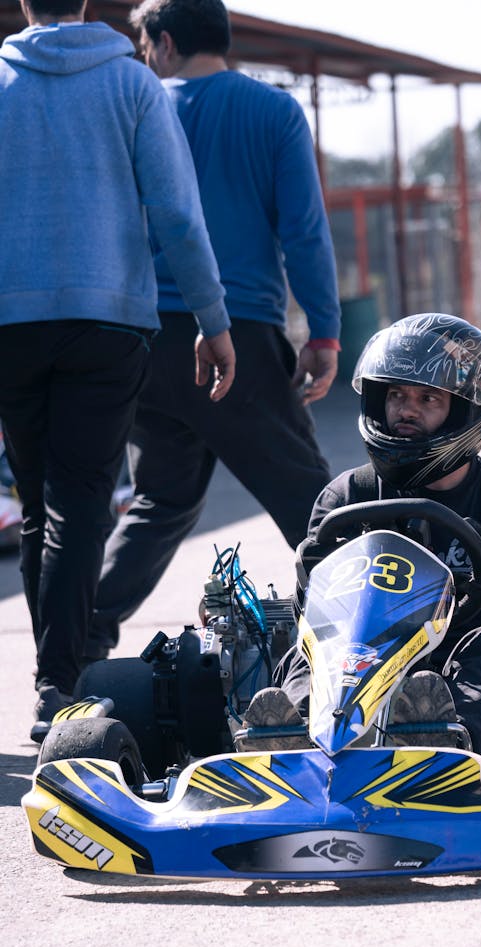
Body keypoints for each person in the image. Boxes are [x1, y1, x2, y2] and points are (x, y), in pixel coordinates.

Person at [0, 0, 235, 743]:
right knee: (80, 504)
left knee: (39, 503)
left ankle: (54, 677)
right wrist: (212, 318)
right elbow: (176, 212)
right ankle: (57, 685)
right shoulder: (131, 85)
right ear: (86, 4)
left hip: (10, 324)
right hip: (107, 325)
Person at [84, 0, 341, 664]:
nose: (145, 59)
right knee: (313, 502)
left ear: (164, 43)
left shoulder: (133, 109)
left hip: (140, 337)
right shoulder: (273, 111)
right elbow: (305, 231)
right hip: (238, 338)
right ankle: (369, 635)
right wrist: (324, 332)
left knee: (160, 500)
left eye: (145, 47)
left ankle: (80, 643)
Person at [244, 313, 481, 758]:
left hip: (471, 665)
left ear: (465, 409)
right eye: (397, 395)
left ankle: (440, 739)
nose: (407, 409)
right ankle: (291, 738)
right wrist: (310, 578)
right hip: (363, 668)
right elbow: (318, 620)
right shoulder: (347, 497)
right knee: (308, 653)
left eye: (428, 398)